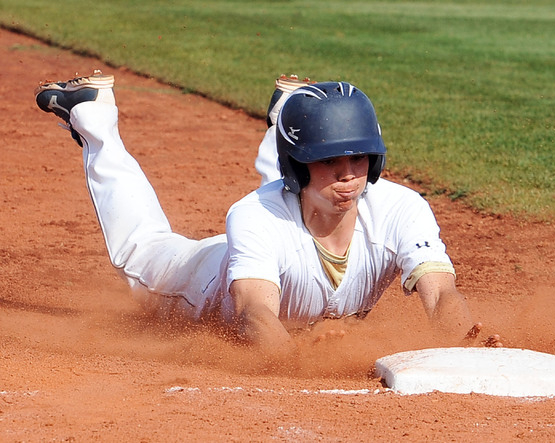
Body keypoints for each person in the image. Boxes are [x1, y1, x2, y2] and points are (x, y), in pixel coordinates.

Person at [34, 71, 500, 358]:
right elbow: (254, 315)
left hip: (279, 235)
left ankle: (287, 117)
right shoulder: (252, 217)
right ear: (299, 164)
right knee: (144, 247)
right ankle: (94, 118)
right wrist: (303, 362)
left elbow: (441, 295)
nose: (348, 176)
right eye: (328, 162)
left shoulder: (402, 208)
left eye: (359, 159)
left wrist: (465, 343)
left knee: (291, 211)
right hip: (202, 279)